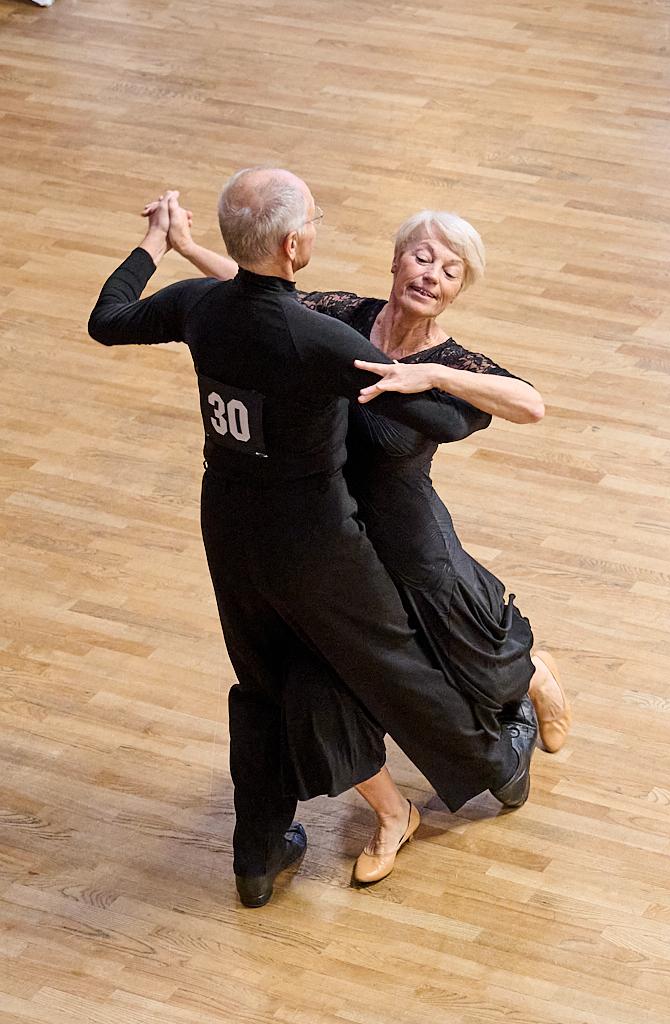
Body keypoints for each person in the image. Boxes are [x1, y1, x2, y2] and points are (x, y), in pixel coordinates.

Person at [88, 169, 538, 908]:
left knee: (261, 689)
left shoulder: (200, 306)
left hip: (228, 530)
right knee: (393, 662)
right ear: (295, 245)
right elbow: (453, 424)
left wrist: (156, 245)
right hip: (317, 541)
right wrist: (428, 380)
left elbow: (108, 319)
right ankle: (496, 764)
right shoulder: (321, 337)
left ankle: (257, 857)